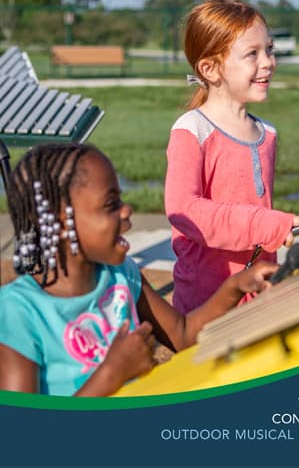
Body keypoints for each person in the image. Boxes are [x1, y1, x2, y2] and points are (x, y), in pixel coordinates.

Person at [0, 142, 278, 397]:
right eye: (111, 204)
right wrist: (112, 373)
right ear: (61, 222)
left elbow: (181, 334)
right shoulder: (19, 311)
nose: (126, 210)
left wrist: (235, 286)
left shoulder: (122, 274)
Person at [165, 0, 299, 314]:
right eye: (252, 54)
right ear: (210, 68)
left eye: (270, 50)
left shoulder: (267, 134)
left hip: (259, 294)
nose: (268, 62)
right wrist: (266, 224)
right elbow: (184, 211)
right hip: (206, 303)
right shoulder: (192, 130)